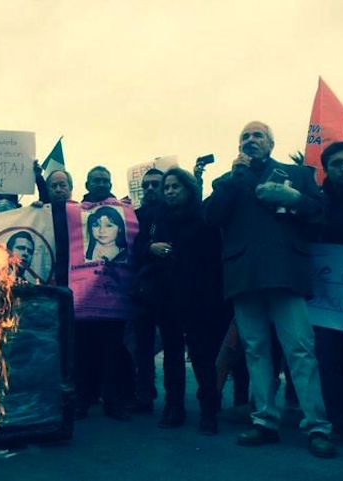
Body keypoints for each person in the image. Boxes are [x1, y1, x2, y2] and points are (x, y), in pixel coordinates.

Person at [203, 121, 335, 457]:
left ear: (271, 144)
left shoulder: (299, 175)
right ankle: (264, 421)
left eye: (257, 135)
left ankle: (317, 426)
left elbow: (320, 213)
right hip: (244, 276)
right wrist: (232, 180)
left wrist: (296, 199)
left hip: (285, 273)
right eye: (244, 136)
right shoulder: (228, 179)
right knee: (255, 352)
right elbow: (210, 217)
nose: (250, 140)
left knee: (301, 351)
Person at [135, 167, 229, 434]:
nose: (169, 192)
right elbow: (137, 246)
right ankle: (174, 407)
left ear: (189, 189)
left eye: (175, 187)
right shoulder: (157, 218)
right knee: (172, 355)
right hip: (166, 298)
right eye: (167, 188)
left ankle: (209, 409)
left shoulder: (204, 218)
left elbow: (214, 263)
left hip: (199, 299)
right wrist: (150, 248)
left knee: (202, 355)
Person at [74, 166, 134, 421]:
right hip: (85, 297)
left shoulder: (125, 210)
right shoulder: (74, 212)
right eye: (96, 180)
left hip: (114, 298)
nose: (101, 183)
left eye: (105, 180)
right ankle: (82, 400)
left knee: (112, 353)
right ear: (87, 183)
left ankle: (113, 401)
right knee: (84, 352)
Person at [314, 141, 343, 444]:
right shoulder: (317, 203)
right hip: (326, 301)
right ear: (326, 169)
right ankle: (339, 423)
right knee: (329, 360)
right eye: (337, 163)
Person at [130, 168, 165, 413]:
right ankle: (144, 393)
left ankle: (174, 400)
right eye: (147, 185)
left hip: (172, 287)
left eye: (156, 184)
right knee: (141, 344)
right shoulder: (134, 215)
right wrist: (149, 248)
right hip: (143, 288)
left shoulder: (175, 213)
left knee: (173, 345)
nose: (151, 189)